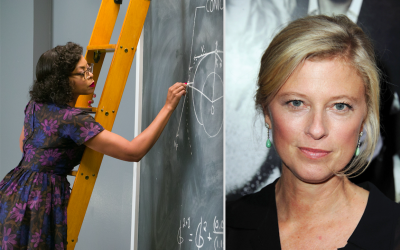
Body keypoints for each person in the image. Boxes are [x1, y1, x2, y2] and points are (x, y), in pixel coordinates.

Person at [226, 15, 400, 249]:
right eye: (296, 103)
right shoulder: (224, 230)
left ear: (363, 120)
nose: (316, 129)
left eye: (340, 106)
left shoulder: (393, 232)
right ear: (267, 112)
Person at [0, 42, 187, 249]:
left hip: (13, 191)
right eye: (83, 72)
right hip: (41, 200)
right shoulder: (73, 119)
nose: (90, 75)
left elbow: (24, 146)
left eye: (88, 68)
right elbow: (134, 152)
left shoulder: (36, 106)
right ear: (62, 81)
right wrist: (168, 106)